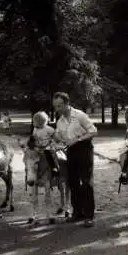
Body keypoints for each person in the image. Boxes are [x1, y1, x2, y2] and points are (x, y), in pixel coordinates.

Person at [53, 92, 98, 228]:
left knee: (86, 182)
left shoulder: (79, 115)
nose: (57, 109)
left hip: (84, 149)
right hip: (70, 151)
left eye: (60, 105)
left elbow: (93, 131)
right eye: (55, 106)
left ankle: (89, 215)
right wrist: (57, 143)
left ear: (67, 104)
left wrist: (77, 139)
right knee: (72, 182)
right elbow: (61, 138)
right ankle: (77, 212)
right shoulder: (59, 121)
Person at [32, 111, 60, 177]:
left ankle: (54, 167)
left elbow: (55, 138)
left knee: (49, 153)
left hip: (47, 146)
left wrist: (55, 140)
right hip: (38, 146)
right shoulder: (35, 129)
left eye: (35, 121)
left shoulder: (49, 129)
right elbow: (34, 137)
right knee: (31, 153)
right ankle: (31, 168)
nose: (34, 123)